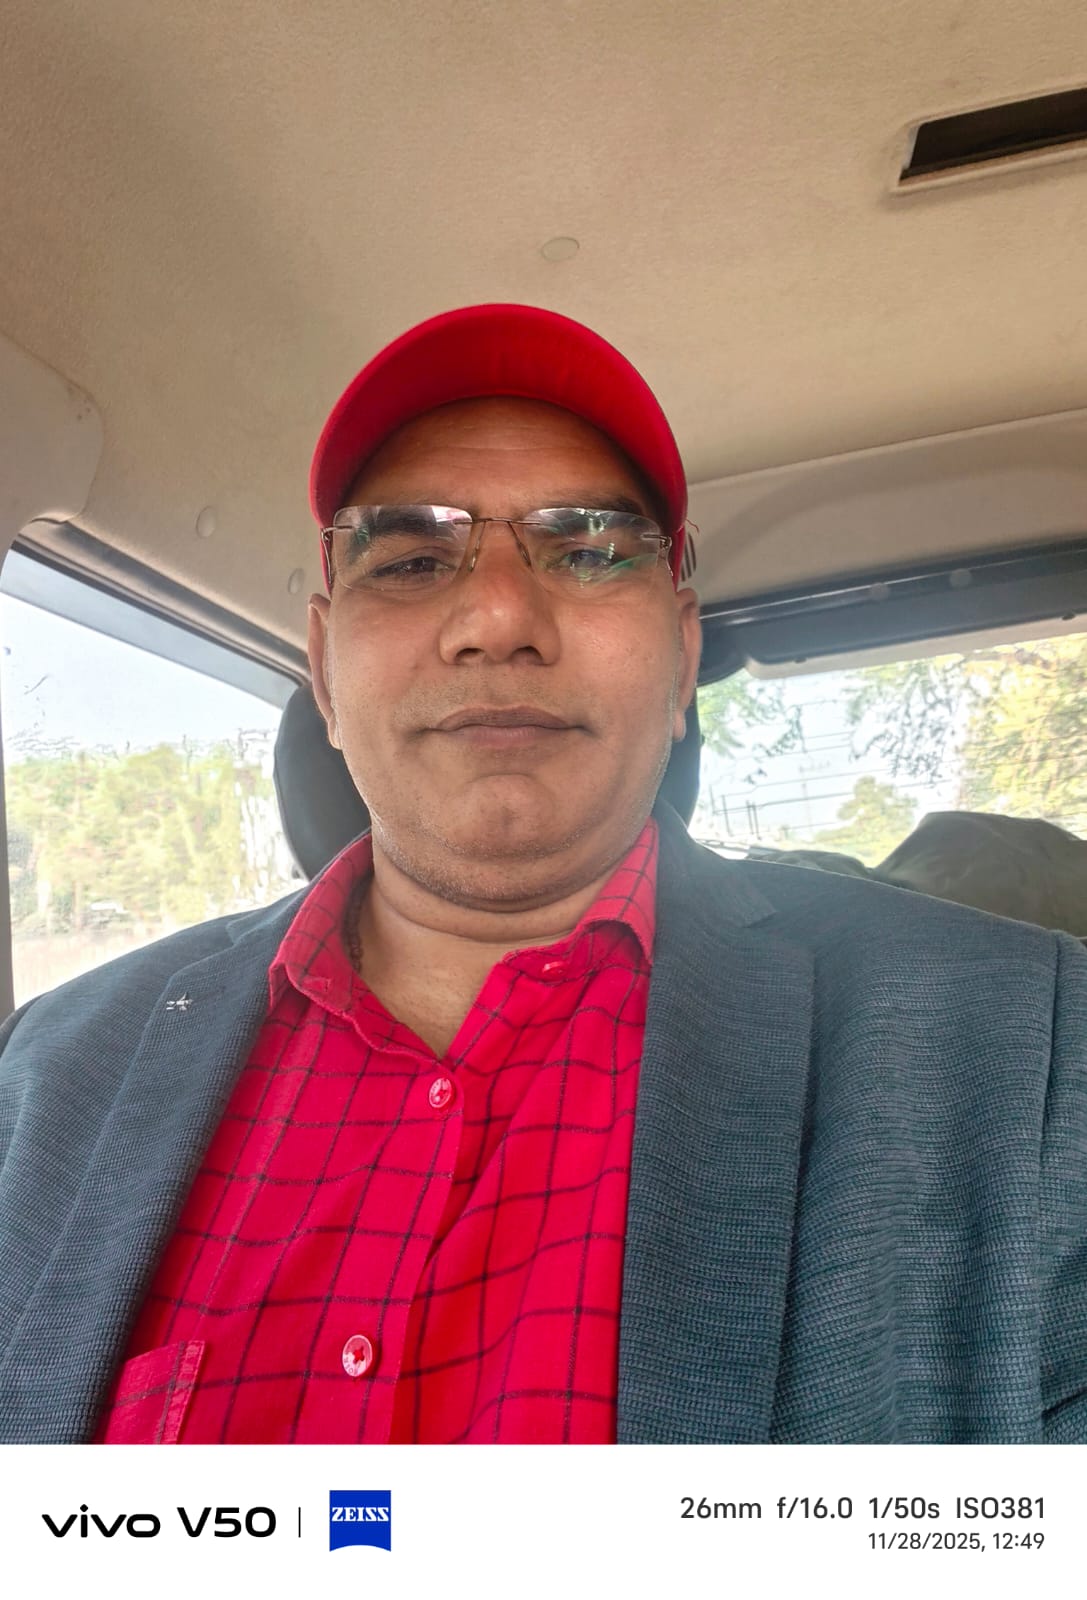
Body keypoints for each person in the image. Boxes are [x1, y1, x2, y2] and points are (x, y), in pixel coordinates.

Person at [1, 304, 1086, 1446]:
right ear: (321, 670)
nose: (498, 616)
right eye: (412, 559)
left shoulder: (1028, 1048)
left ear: (681, 662)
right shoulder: (52, 1069)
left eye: (588, 550)